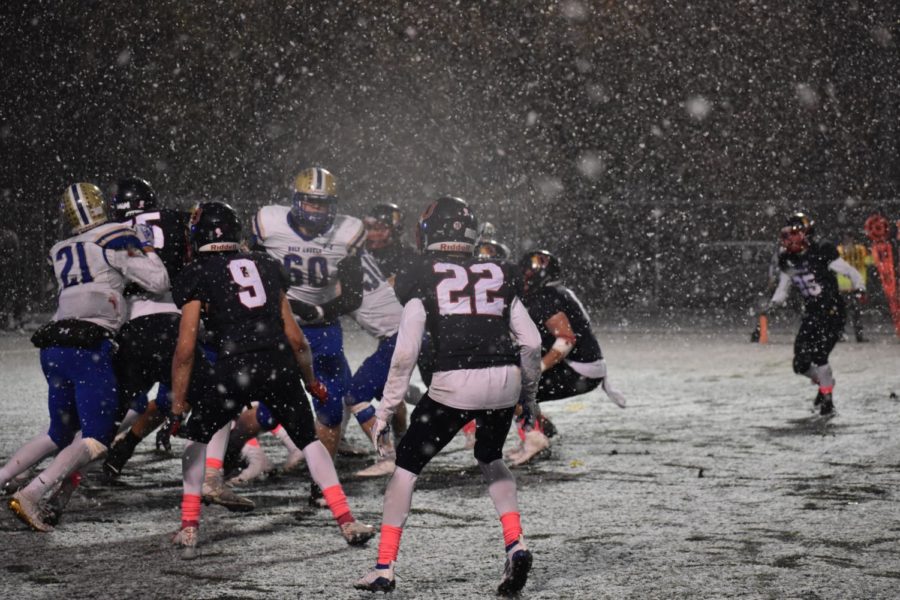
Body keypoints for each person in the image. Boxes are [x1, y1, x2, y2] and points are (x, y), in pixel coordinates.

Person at [355, 196, 542, 596]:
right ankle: (516, 543)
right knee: (490, 458)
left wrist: (387, 409)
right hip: (505, 378)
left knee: (406, 467)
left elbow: (405, 351)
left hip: (455, 381)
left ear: (428, 230)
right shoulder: (499, 269)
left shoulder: (420, 271)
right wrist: (527, 395)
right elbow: (531, 342)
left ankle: (384, 566)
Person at [166, 201, 374, 557]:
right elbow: (296, 337)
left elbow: (185, 347)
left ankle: (188, 526)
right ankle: (347, 519)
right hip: (277, 363)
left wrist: (178, 404)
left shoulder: (198, 270)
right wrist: (309, 380)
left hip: (233, 367)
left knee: (197, 440)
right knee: (309, 441)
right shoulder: (265, 264)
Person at [2, 182, 169, 531]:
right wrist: (147, 246)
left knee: (58, 434)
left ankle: (5, 476)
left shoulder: (60, 247)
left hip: (53, 345)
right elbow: (158, 281)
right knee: (96, 438)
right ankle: (34, 492)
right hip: (89, 346)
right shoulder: (117, 236)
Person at [101, 177, 190, 479]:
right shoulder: (180, 219)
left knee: (113, 406)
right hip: (179, 321)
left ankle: (81, 459)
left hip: (134, 322)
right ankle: (215, 471)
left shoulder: (116, 232)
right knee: (194, 395)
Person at [511, 249, 626, 465]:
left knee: (513, 389)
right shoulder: (557, 292)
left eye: (527, 272)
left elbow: (566, 339)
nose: (523, 278)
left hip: (581, 370)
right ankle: (542, 430)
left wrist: (539, 367)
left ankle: (535, 439)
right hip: (588, 367)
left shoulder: (546, 297)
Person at [768, 212, 865, 417]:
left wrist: (860, 286)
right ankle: (825, 384)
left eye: (795, 233)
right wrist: (774, 304)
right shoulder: (787, 259)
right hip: (812, 312)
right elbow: (783, 287)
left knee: (820, 355)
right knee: (800, 363)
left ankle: (827, 399)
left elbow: (848, 270)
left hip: (832, 311)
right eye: (788, 234)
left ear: (807, 233)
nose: (790, 239)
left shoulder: (822, 251)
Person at [837, 230, 872, 342]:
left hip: (851, 286)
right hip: (847, 286)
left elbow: (869, 261)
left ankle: (852, 335)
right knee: (848, 312)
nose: (847, 240)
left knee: (852, 312)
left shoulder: (855, 250)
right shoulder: (855, 250)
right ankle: (848, 335)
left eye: (848, 238)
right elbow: (869, 261)